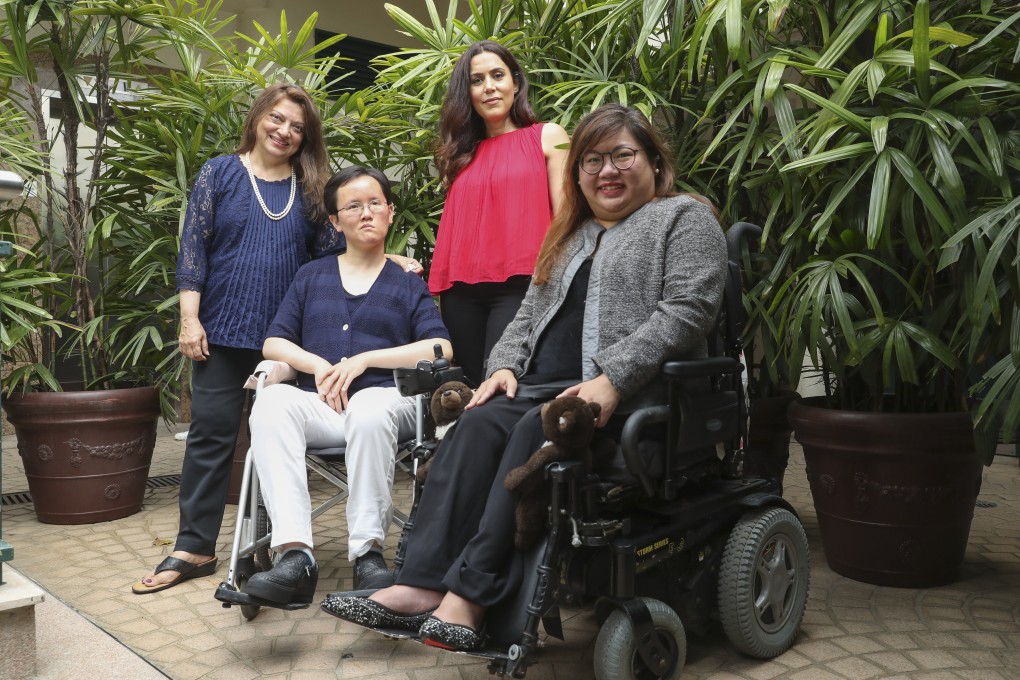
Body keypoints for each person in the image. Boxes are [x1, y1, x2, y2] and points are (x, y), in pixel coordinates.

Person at [321, 104, 728, 651]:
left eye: (622, 156)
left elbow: (688, 310)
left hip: (628, 400)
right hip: (543, 390)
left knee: (527, 430)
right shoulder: (569, 237)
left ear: (653, 161)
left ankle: (469, 596)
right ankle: (419, 583)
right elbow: (525, 318)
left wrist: (613, 378)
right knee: (477, 423)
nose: (606, 170)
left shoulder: (683, 217)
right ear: (577, 175)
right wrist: (504, 366)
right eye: (591, 161)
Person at [132, 85, 419, 595]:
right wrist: (189, 318)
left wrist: (389, 258)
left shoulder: (311, 187)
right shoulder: (220, 172)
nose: (284, 132)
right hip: (221, 330)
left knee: (276, 428)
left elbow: (339, 246)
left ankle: (279, 545)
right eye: (277, 119)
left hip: (289, 336)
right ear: (258, 117)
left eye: (297, 127)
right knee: (210, 437)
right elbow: (192, 248)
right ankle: (194, 546)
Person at [239, 165, 451, 605]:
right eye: (353, 206)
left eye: (376, 203)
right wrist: (318, 366)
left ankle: (368, 554)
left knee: (370, 406)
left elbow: (440, 348)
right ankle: (295, 557)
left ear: (390, 213)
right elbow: (275, 341)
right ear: (335, 221)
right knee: (272, 403)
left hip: (387, 406)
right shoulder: (311, 277)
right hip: (322, 406)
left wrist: (364, 360)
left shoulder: (407, 283)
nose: (366, 213)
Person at [428, 40, 569, 386]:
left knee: (503, 383)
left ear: (515, 83)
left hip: (521, 283)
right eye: (477, 80)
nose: (489, 87)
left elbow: (568, 216)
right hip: (460, 291)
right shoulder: (459, 154)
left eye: (497, 75)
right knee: (474, 387)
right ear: (468, 93)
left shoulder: (547, 137)